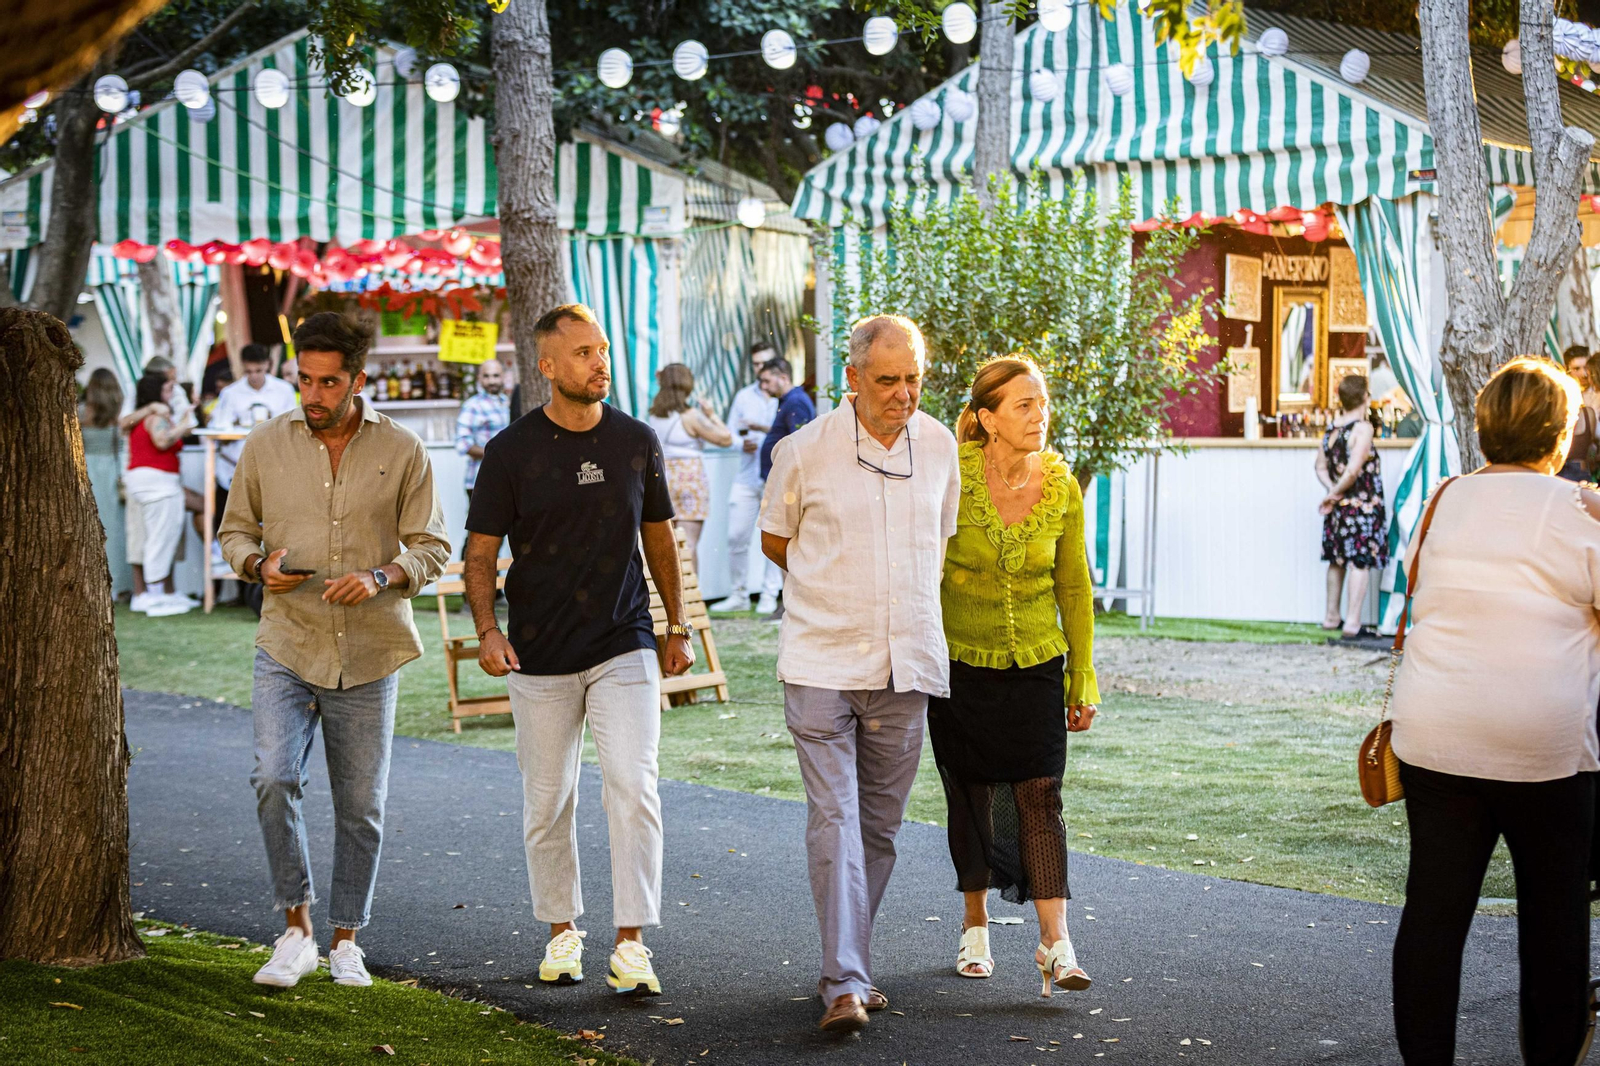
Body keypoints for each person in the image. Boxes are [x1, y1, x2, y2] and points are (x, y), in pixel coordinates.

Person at [463, 303, 694, 999]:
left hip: (623, 641)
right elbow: (480, 554)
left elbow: (658, 536)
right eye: (585, 353)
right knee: (548, 801)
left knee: (633, 785)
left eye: (602, 350)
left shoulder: (636, 439)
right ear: (548, 367)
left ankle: (631, 942)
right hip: (536, 653)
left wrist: (673, 623)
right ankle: (562, 928)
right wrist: (487, 630)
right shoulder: (511, 452)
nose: (601, 363)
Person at [220, 312, 450, 991]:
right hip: (287, 640)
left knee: (361, 806)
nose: (313, 396)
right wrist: (258, 565)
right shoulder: (265, 445)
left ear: (358, 379)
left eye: (328, 383)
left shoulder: (404, 449)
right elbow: (234, 532)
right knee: (273, 777)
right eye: (304, 381)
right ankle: (295, 931)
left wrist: (383, 575)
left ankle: (346, 940)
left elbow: (432, 545)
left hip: (371, 649)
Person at [1387, 356, 1600, 1066]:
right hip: (1544, 744)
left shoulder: (1442, 499)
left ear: (1483, 431)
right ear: (1561, 435)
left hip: (1436, 734)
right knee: (1554, 921)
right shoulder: (1577, 511)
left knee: (1433, 916)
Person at [759, 314, 961, 1033]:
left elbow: (939, 540)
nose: (904, 393)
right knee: (837, 818)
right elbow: (775, 538)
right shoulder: (803, 449)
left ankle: (850, 965)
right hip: (820, 659)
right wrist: (832, 584)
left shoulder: (939, 446)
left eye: (913, 378)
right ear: (851, 378)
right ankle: (843, 983)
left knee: (880, 827)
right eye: (887, 380)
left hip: (907, 663)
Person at [931, 356, 1099, 997]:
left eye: (1042, 402)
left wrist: (1081, 674)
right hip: (960, 668)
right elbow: (925, 567)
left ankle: (1056, 941)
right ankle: (975, 924)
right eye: (1023, 404)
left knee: (1041, 799)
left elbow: (1074, 586)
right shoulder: (951, 476)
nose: (1039, 414)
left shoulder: (1061, 486)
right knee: (969, 797)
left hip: (1037, 664)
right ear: (986, 419)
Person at [708, 342, 785, 614]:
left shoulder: (783, 397)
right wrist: (742, 445)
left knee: (774, 536)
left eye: (763, 363)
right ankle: (739, 593)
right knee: (736, 536)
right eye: (755, 364)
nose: (759, 368)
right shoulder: (743, 396)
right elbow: (729, 435)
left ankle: (768, 594)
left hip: (773, 478)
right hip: (746, 476)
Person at [210, 344, 298, 578]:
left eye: (258, 371)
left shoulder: (284, 390)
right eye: (249, 372)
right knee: (240, 524)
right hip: (236, 466)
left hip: (276, 468)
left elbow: (292, 429)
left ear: (268, 366)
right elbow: (218, 432)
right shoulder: (231, 393)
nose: (254, 377)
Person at [1315, 375, 1387, 639]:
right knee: (1359, 561)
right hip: (1362, 505)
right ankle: (1353, 623)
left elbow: (1320, 467)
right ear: (1365, 397)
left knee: (1336, 560)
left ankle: (1331, 616)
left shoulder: (1332, 429)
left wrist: (1331, 493)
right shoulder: (1363, 429)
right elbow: (1355, 470)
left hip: (1339, 507)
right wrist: (1334, 493)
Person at [125, 371, 198, 616]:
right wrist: (183, 427)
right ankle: (154, 597)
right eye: (167, 389)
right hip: (158, 482)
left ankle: (155, 594)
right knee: (161, 537)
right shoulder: (156, 416)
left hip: (149, 481)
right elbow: (162, 441)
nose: (171, 393)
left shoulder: (145, 416)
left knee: (156, 536)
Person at [646, 362, 731, 567]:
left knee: (669, 544)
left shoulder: (654, 414)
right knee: (689, 544)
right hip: (689, 481)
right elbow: (725, 438)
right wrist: (711, 414)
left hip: (663, 479)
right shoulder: (690, 416)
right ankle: (690, 596)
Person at [756, 357, 814, 622]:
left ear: (783, 377)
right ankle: (786, 602)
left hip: (788, 485)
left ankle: (789, 603)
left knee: (784, 540)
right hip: (779, 482)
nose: (764, 387)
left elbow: (798, 443)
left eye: (767, 380)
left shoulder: (796, 402)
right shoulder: (788, 402)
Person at [79, 368, 132, 597]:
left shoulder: (81, 413)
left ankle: (89, 584)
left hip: (87, 471)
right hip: (111, 471)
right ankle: (117, 584)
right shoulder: (119, 415)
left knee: (87, 527)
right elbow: (123, 445)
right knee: (114, 529)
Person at [454, 358, 512, 553]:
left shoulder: (506, 403)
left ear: (503, 377)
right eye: (486, 376)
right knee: (479, 535)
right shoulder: (473, 405)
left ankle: (494, 583)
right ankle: (467, 581)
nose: (492, 381)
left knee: (501, 535)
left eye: (496, 375)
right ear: (479, 379)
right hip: (479, 479)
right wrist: (496, 455)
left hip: (506, 480)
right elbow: (463, 443)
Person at [1560, 349, 1598, 482]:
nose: (1584, 374)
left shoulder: (1597, 394)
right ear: (1567, 370)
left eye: (1586, 368)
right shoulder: (1563, 399)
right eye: (1577, 368)